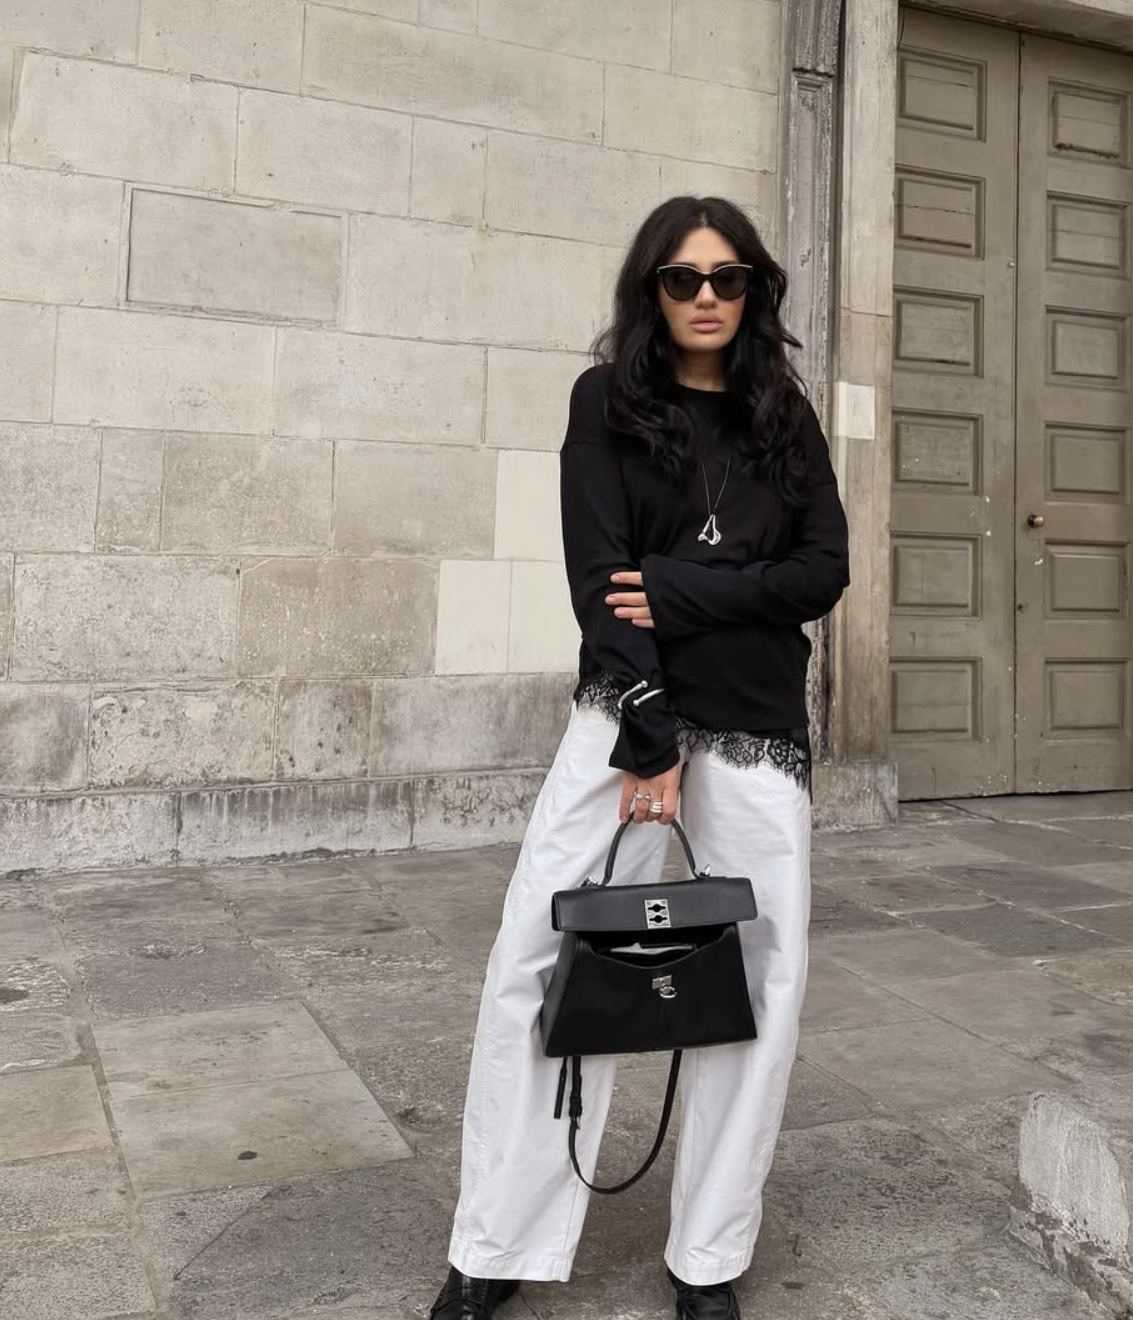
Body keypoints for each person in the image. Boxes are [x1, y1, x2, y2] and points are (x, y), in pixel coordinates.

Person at [429, 196, 850, 1320]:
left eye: (725, 278)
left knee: (758, 984)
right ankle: (496, 1239)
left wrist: (674, 586)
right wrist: (654, 730)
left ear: (753, 290)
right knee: (541, 958)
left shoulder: (784, 417)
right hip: (629, 720)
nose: (704, 297)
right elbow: (594, 579)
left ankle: (708, 1257)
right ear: (649, 290)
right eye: (680, 278)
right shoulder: (606, 405)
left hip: (760, 729)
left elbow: (823, 573)